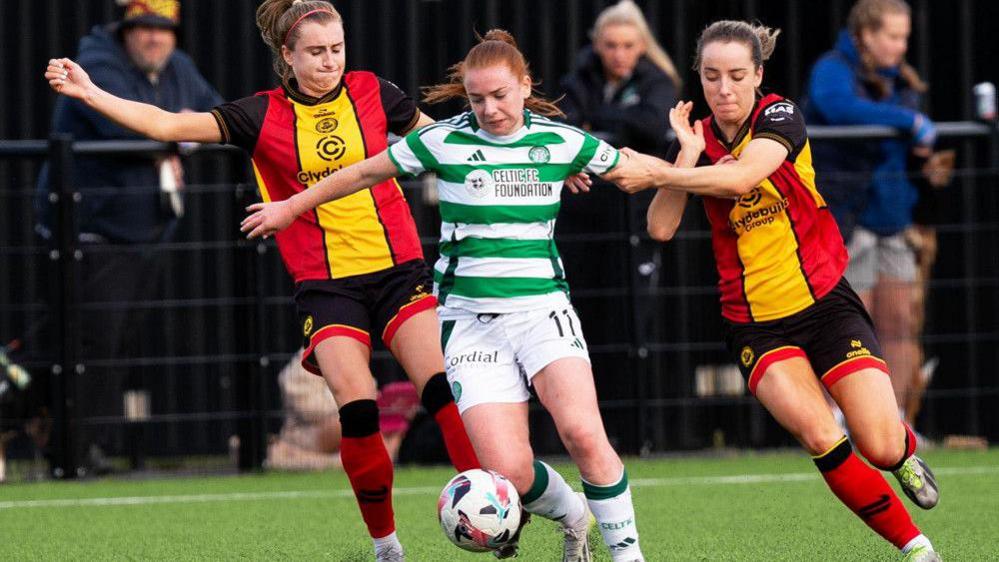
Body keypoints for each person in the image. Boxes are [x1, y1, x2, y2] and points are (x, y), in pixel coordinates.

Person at [45, 1, 480, 560]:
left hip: (400, 271)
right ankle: (387, 546)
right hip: (328, 286)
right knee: (359, 407)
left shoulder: (375, 91)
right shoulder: (260, 116)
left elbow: (446, 147)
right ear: (288, 56)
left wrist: (536, 167)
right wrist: (90, 92)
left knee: (442, 391)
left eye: (338, 49)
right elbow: (168, 123)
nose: (330, 63)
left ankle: (491, 507)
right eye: (317, 53)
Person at [242, 28, 647, 562]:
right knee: (509, 471)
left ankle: (628, 556)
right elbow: (360, 172)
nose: (489, 108)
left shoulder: (561, 142)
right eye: (477, 99)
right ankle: (574, 517)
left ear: (525, 86)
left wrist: (702, 170)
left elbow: (641, 170)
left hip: (541, 309)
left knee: (581, 432)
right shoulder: (444, 141)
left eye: (500, 95)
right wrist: (291, 207)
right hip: (470, 321)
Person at [602, 20, 941, 562]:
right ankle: (918, 549)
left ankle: (902, 450)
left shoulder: (780, 115)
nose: (724, 89)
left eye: (737, 75)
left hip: (826, 304)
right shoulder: (695, 137)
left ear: (758, 75)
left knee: (877, 444)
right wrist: (683, 157)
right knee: (820, 437)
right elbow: (660, 228)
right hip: (754, 323)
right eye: (711, 77)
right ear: (700, 78)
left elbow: (740, 180)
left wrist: (655, 171)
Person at [34, 0, 223, 475]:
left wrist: (176, 130)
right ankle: (65, 451)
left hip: (146, 234)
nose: (155, 38)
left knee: (113, 345)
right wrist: (178, 129)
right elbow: (119, 122)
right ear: (124, 30)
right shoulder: (95, 63)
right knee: (86, 346)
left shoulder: (177, 65)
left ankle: (80, 445)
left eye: (165, 30)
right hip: (92, 232)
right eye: (143, 29)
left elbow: (218, 117)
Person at [804, 0, 939, 434]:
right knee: (849, 321)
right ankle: (842, 420)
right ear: (866, 35)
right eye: (893, 37)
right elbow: (837, 107)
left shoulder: (901, 78)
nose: (901, 46)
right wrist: (908, 120)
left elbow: (906, 139)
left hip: (893, 217)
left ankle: (895, 420)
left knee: (898, 319)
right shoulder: (831, 68)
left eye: (905, 37)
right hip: (847, 216)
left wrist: (920, 146)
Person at [560, 0, 681, 155]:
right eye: (611, 45)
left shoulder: (658, 81)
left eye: (628, 46)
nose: (619, 55)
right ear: (597, 45)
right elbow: (565, 131)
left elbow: (653, 129)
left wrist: (594, 118)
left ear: (642, 46)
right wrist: (631, 118)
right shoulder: (577, 81)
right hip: (589, 173)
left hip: (643, 171)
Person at [266, 349, 419, 471]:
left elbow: (369, 395)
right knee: (352, 417)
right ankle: (350, 461)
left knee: (389, 424)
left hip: (349, 431)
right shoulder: (305, 361)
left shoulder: (353, 360)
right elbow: (309, 409)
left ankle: (378, 459)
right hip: (311, 434)